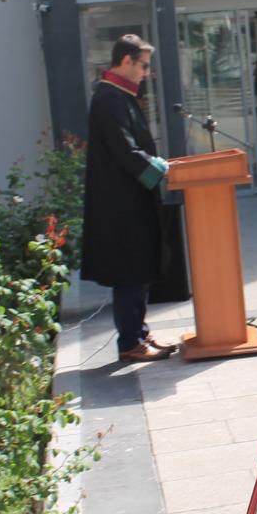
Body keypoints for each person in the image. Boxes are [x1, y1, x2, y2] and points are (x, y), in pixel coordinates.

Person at [80, 35, 175, 363]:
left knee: (140, 270)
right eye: (143, 65)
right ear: (125, 61)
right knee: (130, 273)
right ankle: (129, 342)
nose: (146, 73)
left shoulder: (120, 96)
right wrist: (157, 171)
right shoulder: (108, 99)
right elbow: (124, 150)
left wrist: (156, 170)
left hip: (133, 201)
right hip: (121, 206)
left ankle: (140, 333)